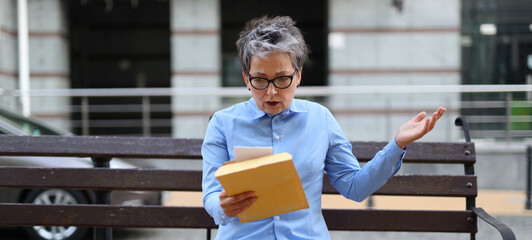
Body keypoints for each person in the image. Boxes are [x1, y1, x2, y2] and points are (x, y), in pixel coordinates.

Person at [202, 16, 446, 239]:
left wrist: (397, 145)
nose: (271, 91)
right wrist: (222, 206)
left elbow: (354, 187)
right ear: (246, 78)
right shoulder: (223, 123)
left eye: (282, 78)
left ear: (298, 76)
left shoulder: (320, 119)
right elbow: (211, 195)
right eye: (260, 80)